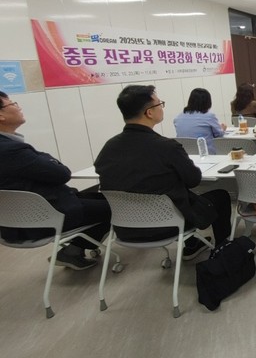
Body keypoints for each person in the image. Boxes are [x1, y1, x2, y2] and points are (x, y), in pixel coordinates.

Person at [95, 85, 232, 259]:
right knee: (220, 196)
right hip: (167, 225)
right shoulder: (167, 147)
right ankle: (223, 249)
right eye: (160, 104)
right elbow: (193, 180)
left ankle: (192, 244)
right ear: (149, 112)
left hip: (124, 228)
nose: (162, 107)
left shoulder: (109, 147)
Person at [0, 91, 110, 270]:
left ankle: (74, 250)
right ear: (1, 115)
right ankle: (74, 251)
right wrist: (43, 156)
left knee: (102, 199)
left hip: (13, 223)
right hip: (44, 218)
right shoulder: (12, 150)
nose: (18, 107)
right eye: (12, 103)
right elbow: (62, 173)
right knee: (117, 206)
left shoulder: (10, 148)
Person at [173, 88, 226, 154]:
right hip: (206, 155)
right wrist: (223, 129)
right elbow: (219, 135)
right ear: (208, 102)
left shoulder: (178, 118)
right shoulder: (209, 116)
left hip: (185, 155)